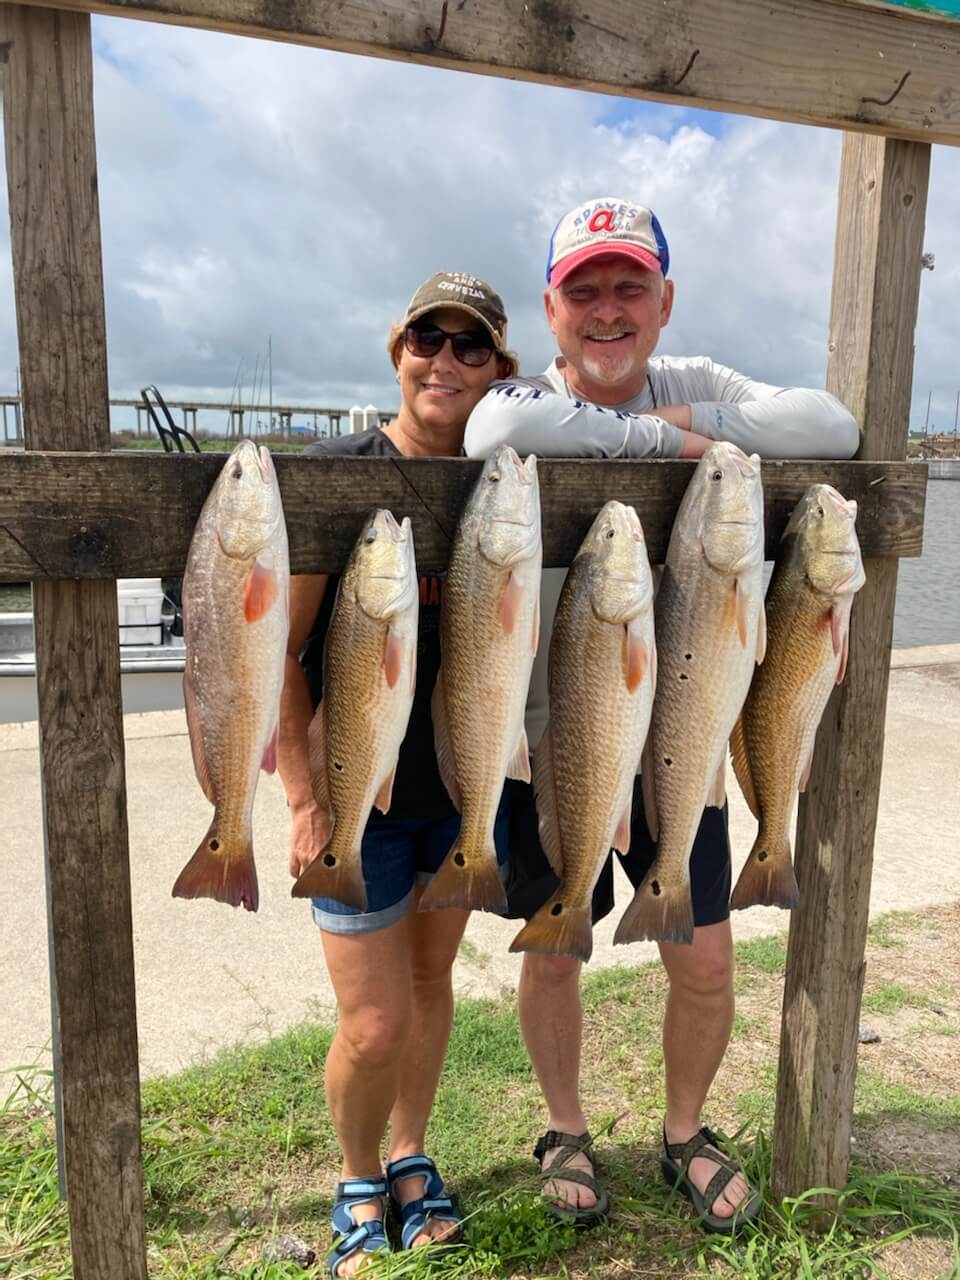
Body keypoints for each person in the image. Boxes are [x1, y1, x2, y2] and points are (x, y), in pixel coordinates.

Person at [464, 198, 860, 1234]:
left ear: (665, 300)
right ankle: (564, 1125)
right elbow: (494, 426)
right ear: (551, 311)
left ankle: (685, 1129)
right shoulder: (530, 397)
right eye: (583, 290)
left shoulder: (702, 385)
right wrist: (669, 443)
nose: (607, 311)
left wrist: (688, 429)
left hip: (685, 722)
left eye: (628, 286)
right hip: (558, 736)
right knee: (557, 945)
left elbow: (835, 427)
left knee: (709, 957)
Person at [278, 272, 518, 1276]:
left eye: (472, 346)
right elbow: (278, 658)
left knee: (429, 986)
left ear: (501, 369)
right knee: (373, 1020)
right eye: (430, 336)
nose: (445, 360)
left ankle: (413, 1153)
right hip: (355, 802)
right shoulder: (337, 479)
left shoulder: (507, 483)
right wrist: (300, 798)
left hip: (458, 797)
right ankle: (356, 1173)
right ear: (397, 347)